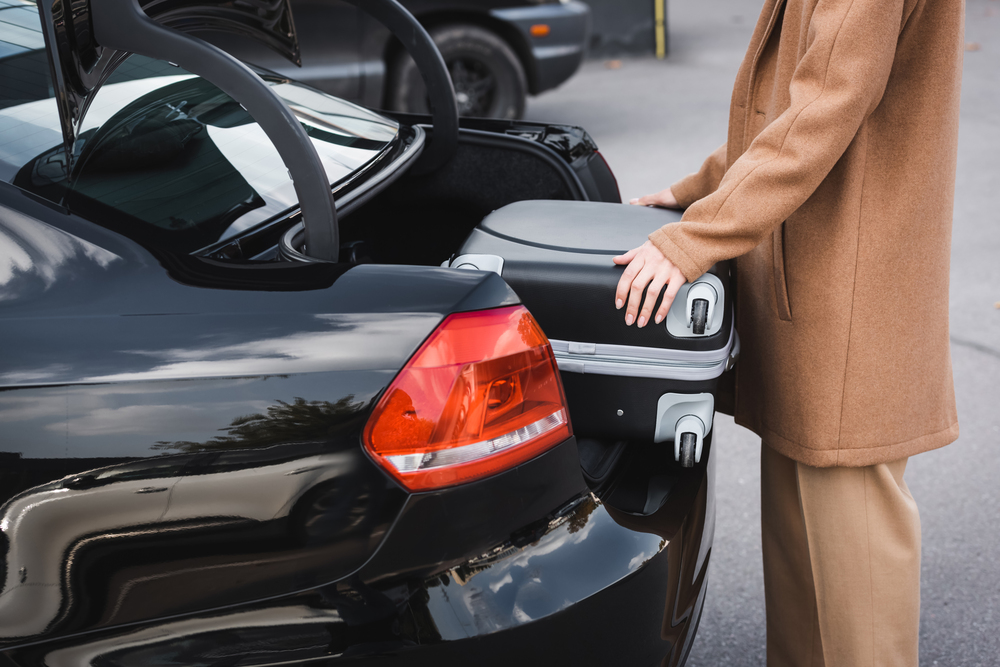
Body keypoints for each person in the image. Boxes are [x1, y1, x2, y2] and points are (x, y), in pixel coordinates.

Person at [613, 0, 964, 664]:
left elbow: (822, 106)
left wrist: (696, 236)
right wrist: (698, 191)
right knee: (807, 585)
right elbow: (785, 107)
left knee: (853, 594)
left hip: (849, 300)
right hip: (826, 298)